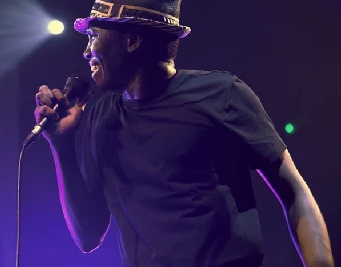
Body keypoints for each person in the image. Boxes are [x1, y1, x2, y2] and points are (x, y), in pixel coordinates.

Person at [33, 0, 335, 266]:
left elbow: (294, 192)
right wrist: (61, 144)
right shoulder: (100, 116)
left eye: (95, 36)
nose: (86, 52)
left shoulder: (221, 94)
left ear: (133, 40)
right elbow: (87, 237)